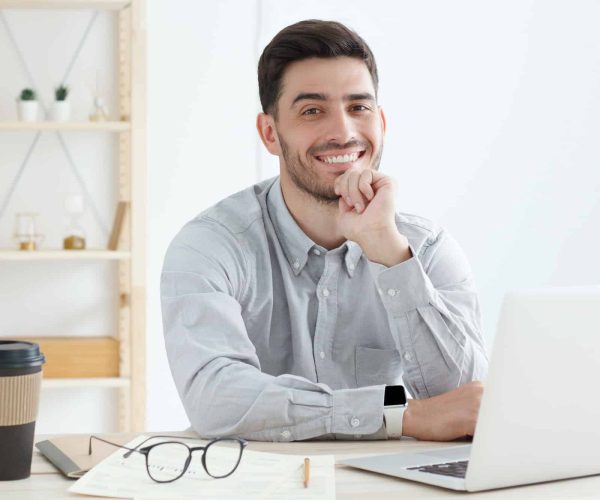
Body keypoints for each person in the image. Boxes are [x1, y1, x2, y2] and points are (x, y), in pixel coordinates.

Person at [161, 19, 488, 442]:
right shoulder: (209, 247)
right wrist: (398, 415)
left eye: (358, 107)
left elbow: (466, 403)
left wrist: (389, 253)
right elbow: (214, 397)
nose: (343, 133)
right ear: (270, 133)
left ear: (382, 122)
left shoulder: (425, 248)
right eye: (312, 111)